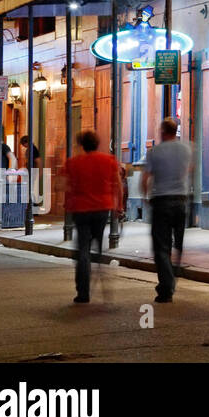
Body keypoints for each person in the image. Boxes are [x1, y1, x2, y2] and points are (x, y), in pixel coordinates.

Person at [61, 130, 123, 305]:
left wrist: (68, 202)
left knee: (82, 249)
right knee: (98, 242)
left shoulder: (73, 162)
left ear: (81, 145)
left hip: (80, 210)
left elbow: (63, 185)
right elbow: (117, 183)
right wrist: (119, 206)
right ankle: (101, 268)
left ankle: (83, 292)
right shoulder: (109, 160)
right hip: (102, 208)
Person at [139, 117, 192, 304]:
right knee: (178, 244)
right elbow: (187, 170)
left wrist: (145, 198)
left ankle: (166, 287)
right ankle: (171, 280)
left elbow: (145, 178)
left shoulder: (155, 152)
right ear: (175, 130)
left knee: (161, 247)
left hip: (161, 200)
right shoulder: (186, 149)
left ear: (162, 131)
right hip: (180, 200)